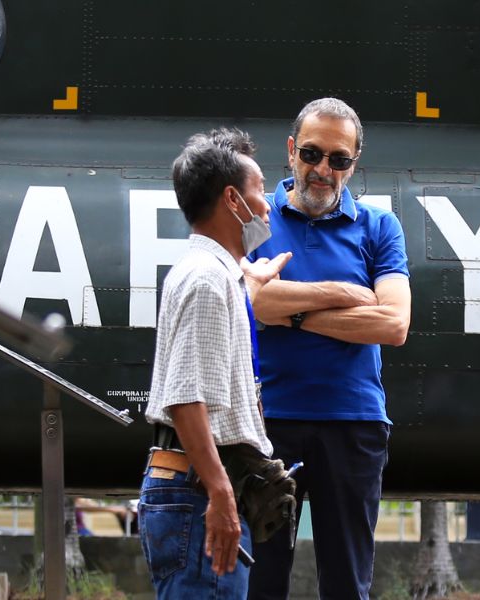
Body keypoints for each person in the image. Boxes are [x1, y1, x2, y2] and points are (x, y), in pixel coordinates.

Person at [245, 97, 412, 599]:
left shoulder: (381, 226)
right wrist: (344, 293)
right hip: (266, 423)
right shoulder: (255, 219)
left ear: (353, 164)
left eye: (339, 160)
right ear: (292, 150)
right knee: (260, 583)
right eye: (313, 154)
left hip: (353, 424)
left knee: (347, 584)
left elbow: (394, 324)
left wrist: (290, 312)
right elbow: (253, 305)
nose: (323, 170)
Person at [137, 128, 292, 598]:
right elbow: (186, 398)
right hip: (199, 494)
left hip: (192, 489)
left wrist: (249, 287)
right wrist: (222, 494)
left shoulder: (215, 276)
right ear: (232, 199)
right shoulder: (207, 280)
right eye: (259, 190)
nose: (267, 205)